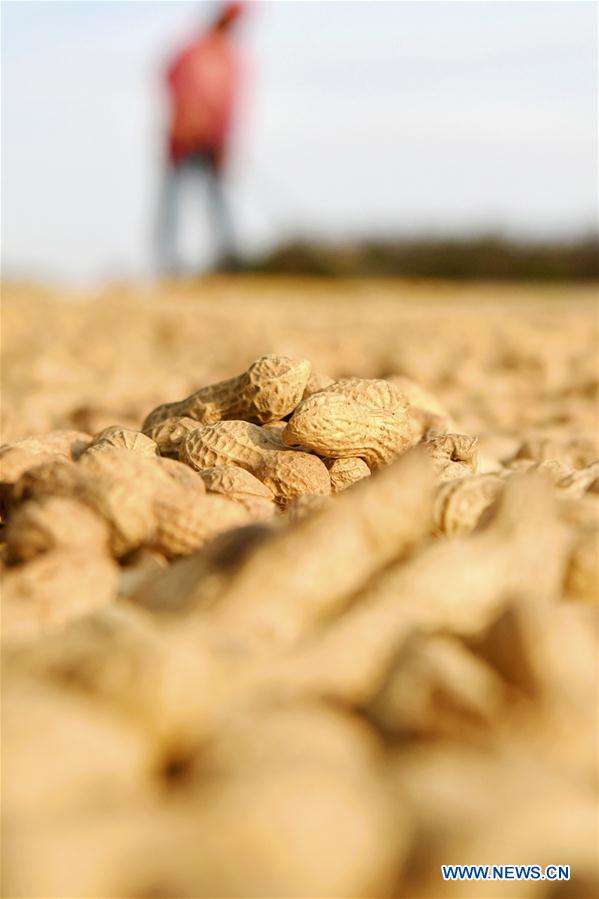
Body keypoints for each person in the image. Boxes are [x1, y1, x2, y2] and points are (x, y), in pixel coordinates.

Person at [157, 2, 244, 275]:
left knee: (219, 200)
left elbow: (233, 104)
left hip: (214, 143)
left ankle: (228, 263)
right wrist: (185, 115)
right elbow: (169, 78)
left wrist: (224, 140)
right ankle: (169, 264)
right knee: (174, 201)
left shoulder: (232, 59)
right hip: (182, 141)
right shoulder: (192, 50)